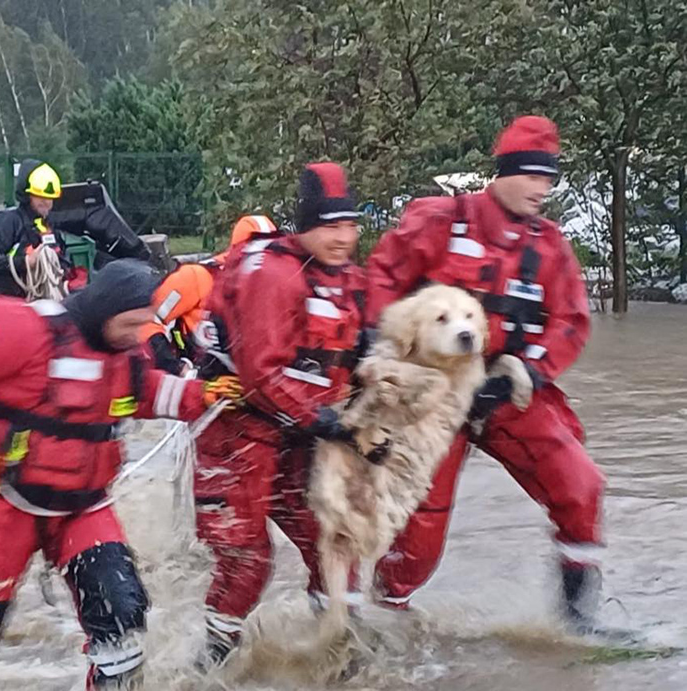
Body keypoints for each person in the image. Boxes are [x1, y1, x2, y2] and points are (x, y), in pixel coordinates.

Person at [0, 259, 242, 691]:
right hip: (3, 500)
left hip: (84, 507)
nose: (137, 335)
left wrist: (203, 395)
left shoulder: (126, 352)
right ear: (105, 311)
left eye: (143, 325)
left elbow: (146, 392)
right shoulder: (23, 328)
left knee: (122, 616)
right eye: (130, 324)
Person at [365, 115, 605, 631]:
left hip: (505, 387)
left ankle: (579, 622)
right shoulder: (440, 221)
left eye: (551, 179)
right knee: (420, 536)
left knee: (579, 483)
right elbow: (381, 278)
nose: (544, 189)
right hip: (432, 393)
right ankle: (379, 620)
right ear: (504, 173)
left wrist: (529, 370)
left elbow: (570, 321)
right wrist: (385, 351)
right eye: (534, 176)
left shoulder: (548, 246)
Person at [192, 163, 365, 668]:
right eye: (330, 226)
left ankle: (338, 657)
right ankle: (208, 668)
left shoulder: (346, 278)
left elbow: (358, 346)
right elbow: (261, 375)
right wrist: (327, 422)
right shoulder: (271, 275)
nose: (342, 237)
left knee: (332, 542)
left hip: (295, 433)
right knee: (248, 562)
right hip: (236, 431)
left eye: (350, 225)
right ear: (305, 225)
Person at [145, 215, 276, 375]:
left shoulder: (271, 291)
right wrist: (179, 369)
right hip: (192, 380)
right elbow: (147, 323)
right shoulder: (195, 277)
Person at [0, 159, 86, 305]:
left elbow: (64, 263)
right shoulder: (8, 222)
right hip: (4, 306)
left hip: (38, 307)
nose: (46, 202)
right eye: (40, 196)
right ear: (26, 195)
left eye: (50, 198)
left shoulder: (49, 228)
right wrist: (25, 263)